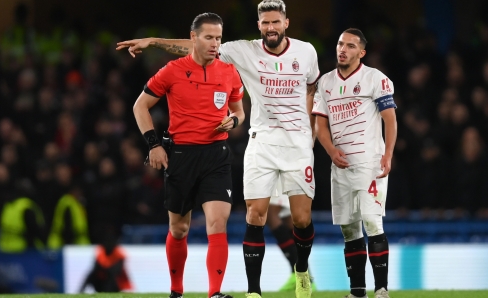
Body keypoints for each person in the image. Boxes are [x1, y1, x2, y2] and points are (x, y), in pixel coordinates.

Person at [117, 1, 319, 297]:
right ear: (259, 25)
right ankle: (183, 291)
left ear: (286, 22)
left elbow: (248, 106)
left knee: (226, 222)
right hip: (192, 154)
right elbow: (145, 101)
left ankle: (222, 292)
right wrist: (154, 43)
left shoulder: (293, 55)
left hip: (224, 154)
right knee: (184, 228)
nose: (271, 27)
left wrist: (239, 120)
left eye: (276, 21)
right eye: (265, 22)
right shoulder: (197, 64)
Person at [131, 12, 245, 298]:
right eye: (209, 37)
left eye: (218, 38)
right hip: (181, 155)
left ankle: (215, 293)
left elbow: (239, 112)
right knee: (179, 228)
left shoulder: (229, 72)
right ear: (193, 38)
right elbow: (140, 107)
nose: (215, 44)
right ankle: (176, 291)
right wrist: (154, 145)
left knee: (218, 222)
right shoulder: (172, 70)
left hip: (217, 155)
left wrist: (234, 121)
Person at [312, 28, 396, 298]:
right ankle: (357, 291)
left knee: (372, 222)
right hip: (341, 166)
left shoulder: (375, 79)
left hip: (369, 163)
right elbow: (320, 124)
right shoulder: (325, 83)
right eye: (340, 44)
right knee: (349, 228)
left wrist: (388, 154)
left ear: (361, 53)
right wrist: (330, 150)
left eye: (350, 46)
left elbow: (390, 120)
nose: (342, 49)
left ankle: (381, 289)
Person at [79, 227, 133, 293]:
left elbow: (117, 271)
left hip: (118, 284)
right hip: (103, 281)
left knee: (111, 277)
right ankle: (81, 291)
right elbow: (95, 268)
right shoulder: (101, 251)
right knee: (91, 274)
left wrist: (105, 267)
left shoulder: (118, 253)